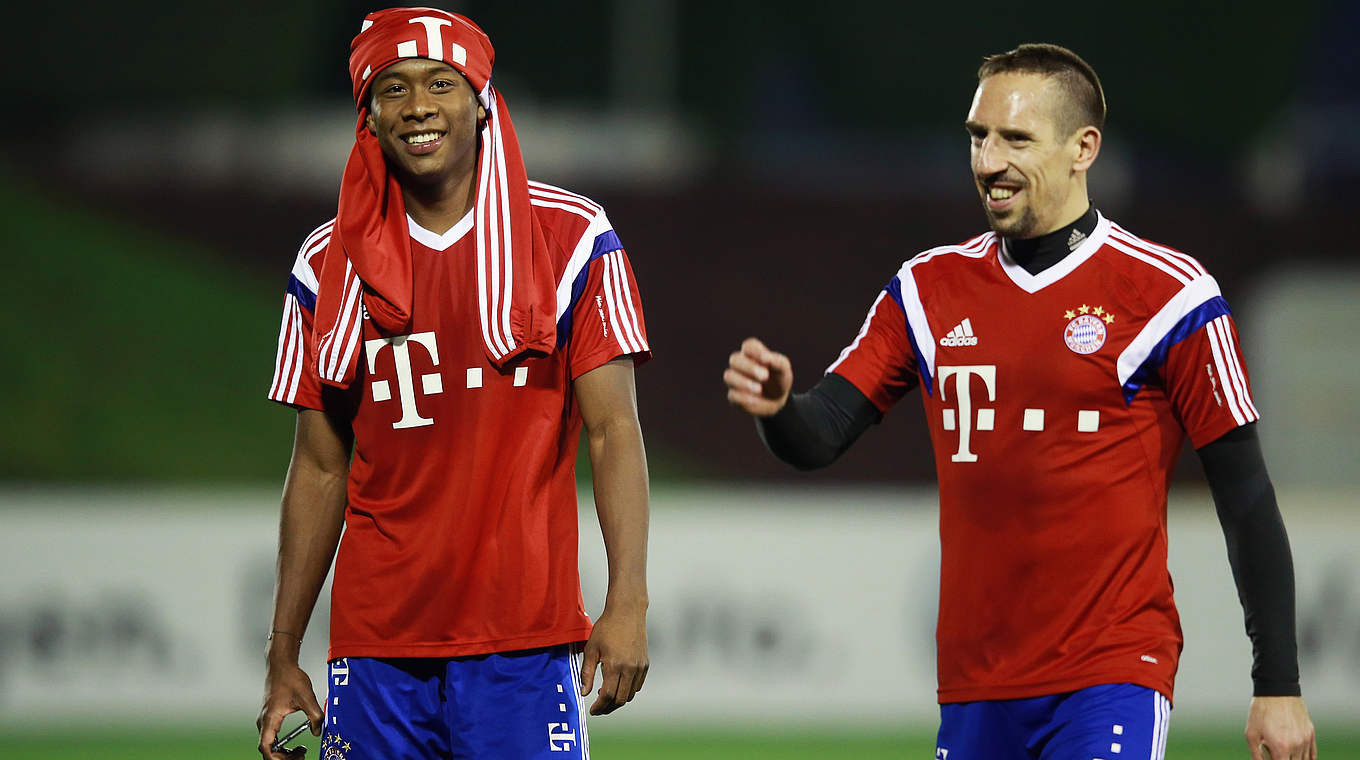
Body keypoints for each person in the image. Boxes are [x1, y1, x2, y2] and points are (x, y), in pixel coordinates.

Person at [724, 43, 1316, 760]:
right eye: (978, 137)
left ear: (1082, 149)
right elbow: (819, 436)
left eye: (1015, 139)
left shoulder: (1171, 297)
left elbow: (1246, 495)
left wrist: (1277, 682)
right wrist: (780, 408)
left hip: (1112, 672)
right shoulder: (926, 290)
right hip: (976, 685)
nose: (988, 162)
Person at [256, 8, 651, 759]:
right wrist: (281, 651)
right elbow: (317, 465)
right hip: (375, 649)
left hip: (523, 643)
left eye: (441, 82)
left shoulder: (573, 238)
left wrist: (626, 599)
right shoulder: (325, 263)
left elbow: (615, 429)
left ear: (481, 98)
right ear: (368, 114)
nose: (418, 107)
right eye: (392, 87)